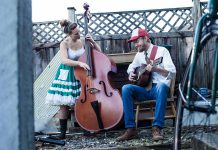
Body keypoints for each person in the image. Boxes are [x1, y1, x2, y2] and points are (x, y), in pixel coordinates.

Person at [116, 28, 176, 141]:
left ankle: (157, 127)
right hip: (144, 90)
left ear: (146, 38)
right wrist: (131, 74)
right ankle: (131, 129)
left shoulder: (162, 51)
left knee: (162, 86)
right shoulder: (139, 55)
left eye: (137, 41)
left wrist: (156, 69)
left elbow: (172, 73)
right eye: (133, 42)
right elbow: (131, 67)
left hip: (158, 90)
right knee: (126, 88)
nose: (135, 45)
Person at [45, 19, 101, 139]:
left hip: (80, 74)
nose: (79, 35)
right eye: (76, 34)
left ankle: (85, 129)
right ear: (69, 34)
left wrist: (93, 42)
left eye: (79, 32)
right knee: (64, 104)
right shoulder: (64, 43)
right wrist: (79, 63)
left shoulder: (82, 40)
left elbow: (99, 53)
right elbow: (64, 60)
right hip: (67, 73)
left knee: (80, 102)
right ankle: (62, 133)